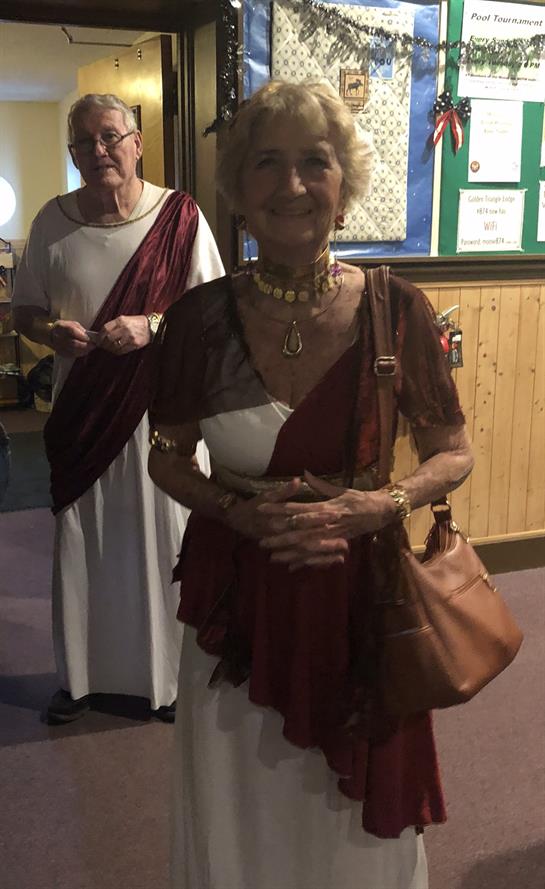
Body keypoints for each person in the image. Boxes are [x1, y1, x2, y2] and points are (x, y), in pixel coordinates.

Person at [148, 81, 474, 889]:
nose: (291, 186)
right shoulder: (195, 321)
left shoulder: (397, 310)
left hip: (362, 602)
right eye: (267, 163)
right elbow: (165, 456)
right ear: (238, 190)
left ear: (343, 185)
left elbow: (452, 450)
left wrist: (379, 503)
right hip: (236, 608)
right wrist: (238, 514)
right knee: (241, 797)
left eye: (313, 163)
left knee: (349, 824)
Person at [12, 93, 224, 724]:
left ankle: (168, 682)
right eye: (84, 143)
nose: (98, 151)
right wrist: (52, 333)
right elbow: (25, 310)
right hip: (82, 416)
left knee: (164, 542)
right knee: (84, 543)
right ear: (73, 155)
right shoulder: (53, 221)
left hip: (161, 415)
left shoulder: (179, 217)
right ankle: (79, 680)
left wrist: (152, 325)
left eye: (110, 137)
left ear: (136, 142)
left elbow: (211, 312)